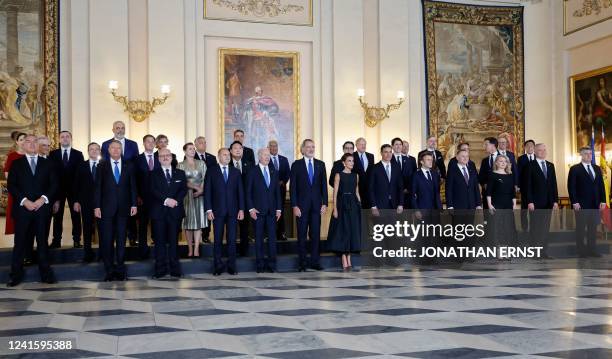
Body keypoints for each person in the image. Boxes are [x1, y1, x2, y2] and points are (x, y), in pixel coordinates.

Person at [7, 135, 58, 286]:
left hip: (42, 210)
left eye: (34, 141)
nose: (31, 144)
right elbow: (11, 186)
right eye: (28, 141)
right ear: (23, 145)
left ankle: (46, 274)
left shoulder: (48, 164)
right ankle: (15, 275)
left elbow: (54, 185)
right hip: (23, 210)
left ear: (38, 145)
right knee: (20, 243)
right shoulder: (16, 164)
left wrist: (43, 199)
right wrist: (25, 201)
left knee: (42, 243)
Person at [94, 140, 138, 281]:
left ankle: (120, 270)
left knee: (121, 240)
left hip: (124, 210)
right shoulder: (102, 165)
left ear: (121, 150)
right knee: (107, 241)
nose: (116, 150)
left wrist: (134, 204)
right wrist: (97, 206)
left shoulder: (129, 165)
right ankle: (109, 271)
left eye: (118, 148)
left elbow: (132, 186)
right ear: (108, 150)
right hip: (106, 209)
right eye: (113, 148)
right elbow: (98, 187)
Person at [205, 148, 245, 276]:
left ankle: (231, 266)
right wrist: (208, 209)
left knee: (232, 239)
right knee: (217, 240)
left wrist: (241, 209)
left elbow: (240, 192)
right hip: (217, 211)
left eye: (228, 155)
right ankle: (217, 266)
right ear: (219, 156)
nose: (227, 157)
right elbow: (207, 192)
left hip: (233, 211)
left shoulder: (235, 171)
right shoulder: (211, 171)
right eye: (224, 155)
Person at [290, 139, 328, 271]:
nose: (311, 149)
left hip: (317, 206)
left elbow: (324, 185)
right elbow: (293, 187)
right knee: (301, 235)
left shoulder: (320, 164)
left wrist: (325, 204)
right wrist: (294, 205)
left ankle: (315, 262)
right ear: (302, 149)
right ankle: (302, 263)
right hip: (301, 207)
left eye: (313, 147)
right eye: (308, 147)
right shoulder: (296, 165)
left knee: (315, 235)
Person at [150, 148, 187, 278]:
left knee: (173, 242)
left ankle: (175, 270)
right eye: (162, 156)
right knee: (159, 242)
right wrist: (166, 200)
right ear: (158, 159)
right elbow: (152, 190)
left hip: (175, 212)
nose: (165, 157)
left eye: (167, 155)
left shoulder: (180, 173)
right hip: (159, 212)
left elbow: (183, 190)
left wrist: (175, 201)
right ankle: (160, 270)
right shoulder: (153, 173)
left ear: (171, 157)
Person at [101, 121, 139, 248]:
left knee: (130, 219)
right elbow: (105, 166)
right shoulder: (105, 144)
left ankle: (132, 238)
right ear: (113, 129)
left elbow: (136, 164)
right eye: (117, 128)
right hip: (110, 191)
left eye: (122, 128)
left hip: (126, 186)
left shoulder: (133, 144)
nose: (120, 130)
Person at [246, 148, 282, 273]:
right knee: (259, 239)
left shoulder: (274, 171)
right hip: (258, 211)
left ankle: (272, 265)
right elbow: (248, 192)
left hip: (272, 212)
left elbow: (277, 192)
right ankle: (260, 265)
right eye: (265, 155)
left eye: (269, 155)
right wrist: (250, 208)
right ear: (259, 156)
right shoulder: (252, 172)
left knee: (272, 239)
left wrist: (279, 209)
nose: (267, 157)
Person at [568, 147, 606, 258]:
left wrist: (603, 200)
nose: (589, 156)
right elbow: (571, 187)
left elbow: (601, 186)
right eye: (586, 154)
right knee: (581, 228)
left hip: (595, 204)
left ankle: (592, 250)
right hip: (581, 204)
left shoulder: (597, 168)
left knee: (593, 228)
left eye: (590, 153)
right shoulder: (575, 169)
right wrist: (574, 201)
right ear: (581, 155)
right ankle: (581, 251)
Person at [49, 131, 84, 249]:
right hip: (57, 191)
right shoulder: (52, 154)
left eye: (67, 136)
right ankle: (56, 240)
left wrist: (78, 196)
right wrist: (54, 195)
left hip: (74, 191)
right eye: (62, 137)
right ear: (59, 139)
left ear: (71, 139)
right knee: (57, 216)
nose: (65, 139)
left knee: (76, 215)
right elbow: (51, 175)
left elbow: (80, 175)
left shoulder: (78, 154)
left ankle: (77, 240)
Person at [327, 153, 361, 271]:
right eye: (349, 161)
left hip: (353, 204)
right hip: (342, 204)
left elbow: (356, 192)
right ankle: (343, 257)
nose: (352, 163)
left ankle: (349, 257)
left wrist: (359, 205)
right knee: (343, 230)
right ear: (344, 162)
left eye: (353, 161)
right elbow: (335, 193)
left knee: (351, 230)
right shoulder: (338, 175)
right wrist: (335, 208)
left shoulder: (356, 176)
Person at [526, 143, 558, 259]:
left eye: (544, 150)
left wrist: (555, 201)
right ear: (535, 151)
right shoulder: (530, 165)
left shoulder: (550, 165)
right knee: (535, 228)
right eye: (540, 150)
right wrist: (530, 201)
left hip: (548, 202)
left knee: (545, 228)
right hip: (535, 203)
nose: (543, 152)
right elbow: (527, 185)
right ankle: (534, 253)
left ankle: (543, 252)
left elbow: (553, 185)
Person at [177, 143, 208, 257]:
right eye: (190, 149)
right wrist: (195, 187)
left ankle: (196, 249)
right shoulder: (180, 165)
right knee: (188, 223)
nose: (193, 150)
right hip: (186, 196)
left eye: (193, 148)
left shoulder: (201, 163)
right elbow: (180, 180)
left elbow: (206, 178)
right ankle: (190, 249)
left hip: (200, 196)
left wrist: (201, 190)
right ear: (184, 151)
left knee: (198, 223)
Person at [73, 142, 101, 263]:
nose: (94, 151)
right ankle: (87, 253)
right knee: (87, 228)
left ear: (99, 151)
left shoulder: (105, 165)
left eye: (96, 149)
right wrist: (76, 201)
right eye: (91, 149)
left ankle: (103, 254)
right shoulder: (81, 166)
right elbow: (76, 185)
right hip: (85, 202)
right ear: (88, 151)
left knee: (103, 229)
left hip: (102, 203)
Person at [134, 135, 159, 259]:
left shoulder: (160, 158)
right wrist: (137, 195)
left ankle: (157, 252)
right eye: (147, 141)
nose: (150, 143)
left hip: (157, 199)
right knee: (143, 225)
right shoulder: (137, 159)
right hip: (142, 199)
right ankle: (142, 252)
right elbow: (134, 180)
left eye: (152, 141)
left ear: (155, 144)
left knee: (157, 224)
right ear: (143, 143)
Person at [486, 155, 517, 251]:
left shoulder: (510, 175)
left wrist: (514, 205)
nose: (503, 163)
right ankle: (499, 251)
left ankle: (506, 250)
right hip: (496, 204)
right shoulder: (492, 174)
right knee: (497, 228)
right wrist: (490, 205)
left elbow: (513, 192)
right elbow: (488, 192)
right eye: (500, 161)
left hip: (508, 204)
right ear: (496, 163)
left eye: (505, 161)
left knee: (507, 227)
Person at [229, 140, 253, 257]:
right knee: (231, 228)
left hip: (246, 201)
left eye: (240, 148)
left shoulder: (249, 165)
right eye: (235, 148)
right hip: (231, 201)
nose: (238, 150)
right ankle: (231, 252)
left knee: (245, 228)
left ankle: (244, 251)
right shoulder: (227, 165)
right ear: (230, 151)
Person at [369, 144, 404, 215]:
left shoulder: (396, 167)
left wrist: (401, 204)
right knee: (380, 225)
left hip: (395, 205)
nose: (388, 154)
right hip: (380, 206)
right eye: (386, 152)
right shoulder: (374, 168)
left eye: (390, 152)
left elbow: (400, 187)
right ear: (381, 153)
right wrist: (373, 206)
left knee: (394, 225)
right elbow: (371, 188)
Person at [194, 136, 217, 243]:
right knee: (196, 214)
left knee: (208, 212)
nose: (203, 144)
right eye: (201, 143)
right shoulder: (190, 156)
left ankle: (206, 235)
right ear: (196, 145)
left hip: (210, 191)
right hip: (196, 191)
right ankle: (195, 237)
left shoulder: (212, 158)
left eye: (205, 142)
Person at [4, 132, 26, 236]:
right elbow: (7, 175)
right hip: (16, 191)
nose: (23, 141)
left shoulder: (32, 155)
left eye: (25, 139)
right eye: (21, 139)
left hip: (30, 191)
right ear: (17, 142)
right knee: (16, 218)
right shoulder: (12, 156)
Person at [268, 140, 290, 241]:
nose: (274, 148)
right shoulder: (266, 159)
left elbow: (288, 173)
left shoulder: (284, 159)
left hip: (281, 190)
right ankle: (270, 234)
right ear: (268, 148)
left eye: (275, 146)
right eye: (271, 146)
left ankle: (281, 233)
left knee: (280, 211)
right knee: (270, 212)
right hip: (269, 191)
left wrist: (282, 182)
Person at [391, 137, 417, 207]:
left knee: (406, 216)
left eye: (400, 144)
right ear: (392, 146)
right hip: (393, 194)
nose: (399, 146)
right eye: (396, 144)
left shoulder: (408, 160)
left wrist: (407, 188)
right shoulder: (388, 159)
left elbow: (412, 176)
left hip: (407, 193)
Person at [517, 140, 536, 232]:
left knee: (534, 209)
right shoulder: (521, 159)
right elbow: (518, 173)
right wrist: (518, 185)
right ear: (525, 148)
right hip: (525, 188)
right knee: (524, 209)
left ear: (534, 147)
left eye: (531, 146)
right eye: (527, 146)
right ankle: (524, 228)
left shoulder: (537, 157)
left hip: (536, 189)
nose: (530, 147)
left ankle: (534, 227)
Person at [478, 137, 500, 209]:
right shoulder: (484, 160)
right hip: (487, 193)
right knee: (487, 217)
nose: (484, 146)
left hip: (500, 193)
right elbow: (481, 176)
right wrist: (484, 184)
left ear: (493, 145)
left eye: (486, 144)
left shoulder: (504, 158)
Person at [353, 137, 374, 209]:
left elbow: (371, 172)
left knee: (367, 212)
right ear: (356, 145)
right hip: (356, 188)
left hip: (368, 189)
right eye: (361, 144)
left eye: (364, 144)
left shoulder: (371, 156)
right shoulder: (352, 156)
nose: (363, 146)